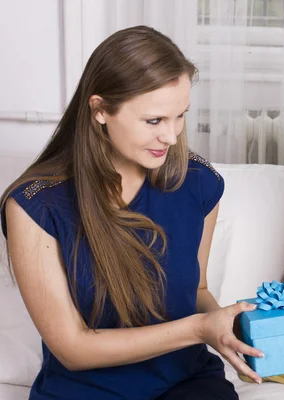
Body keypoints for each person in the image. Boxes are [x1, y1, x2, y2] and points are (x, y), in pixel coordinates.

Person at [0, 26, 263, 400]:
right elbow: (73, 349)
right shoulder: (35, 204)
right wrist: (199, 329)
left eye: (180, 116)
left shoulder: (199, 181)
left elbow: (198, 289)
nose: (171, 137)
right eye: (154, 121)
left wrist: (224, 324)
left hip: (186, 384)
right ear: (100, 110)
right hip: (85, 391)